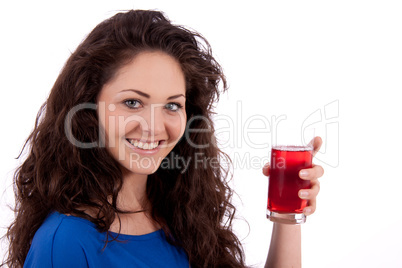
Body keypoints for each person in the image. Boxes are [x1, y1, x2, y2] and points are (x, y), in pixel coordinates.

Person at [3, 9, 324, 268]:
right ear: (89, 107)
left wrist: (287, 218)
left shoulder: (180, 214)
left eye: (172, 105)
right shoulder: (66, 242)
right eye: (132, 102)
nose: (155, 127)